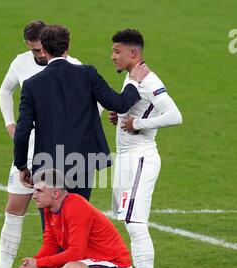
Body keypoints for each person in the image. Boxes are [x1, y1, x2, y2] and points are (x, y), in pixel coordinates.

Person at [0, 21, 82, 268]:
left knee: (59, 216)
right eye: (35, 50)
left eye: (42, 49)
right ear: (28, 45)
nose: (40, 55)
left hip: (57, 151)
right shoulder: (21, 63)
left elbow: (91, 103)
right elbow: (4, 90)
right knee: (14, 206)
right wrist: (10, 123)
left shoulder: (73, 66)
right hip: (27, 147)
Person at [14, 24, 149, 187]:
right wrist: (134, 81)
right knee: (78, 212)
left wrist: (21, 166)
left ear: (43, 48)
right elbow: (119, 104)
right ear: (67, 46)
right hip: (82, 162)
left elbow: (22, 130)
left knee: (51, 213)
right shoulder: (88, 74)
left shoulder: (31, 85)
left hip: (47, 164)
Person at [107, 29, 182, 268]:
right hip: (126, 159)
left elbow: (175, 116)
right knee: (129, 223)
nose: (112, 56)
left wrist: (138, 125)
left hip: (141, 158)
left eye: (117, 51)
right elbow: (135, 106)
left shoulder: (148, 80)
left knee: (137, 225)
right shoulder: (131, 76)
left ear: (133, 53)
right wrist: (121, 115)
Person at [19, 169, 133, 268]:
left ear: (55, 193)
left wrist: (39, 263)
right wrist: (33, 263)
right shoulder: (49, 208)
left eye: (39, 191)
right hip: (92, 266)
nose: (34, 195)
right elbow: (50, 243)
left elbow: (75, 253)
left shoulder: (76, 207)